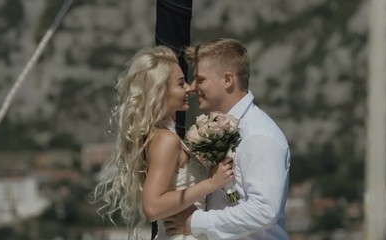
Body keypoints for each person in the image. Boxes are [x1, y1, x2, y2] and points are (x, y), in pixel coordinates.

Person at [92, 46, 234, 240]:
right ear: (160, 91)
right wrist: (211, 183)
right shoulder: (166, 139)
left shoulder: (158, 136)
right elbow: (152, 207)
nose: (189, 88)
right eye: (180, 84)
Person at [164, 38, 291, 239]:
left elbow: (265, 210)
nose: (193, 87)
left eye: (201, 79)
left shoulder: (257, 134)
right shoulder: (227, 127)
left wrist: (194, 222)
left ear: (228, 80)